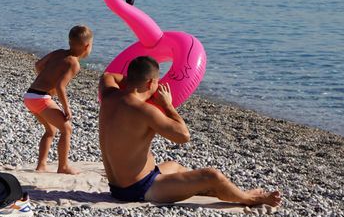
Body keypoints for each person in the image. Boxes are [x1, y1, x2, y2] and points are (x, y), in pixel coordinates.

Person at [98, 56, 281, 206]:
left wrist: (135, 84)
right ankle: (249, 199)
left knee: (175, 166)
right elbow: (183, 136)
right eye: (157, 82)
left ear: (130, 78)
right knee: (212, 175)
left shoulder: (108, 94)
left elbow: (108, 75)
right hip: (139, 189)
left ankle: (218, 190)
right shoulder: (145, 111)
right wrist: (168, 105)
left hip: (117, 186)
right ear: (151, 82)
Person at [24, 25, 92, 175]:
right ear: (87, 46)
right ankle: (63, 167)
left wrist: (47, 77)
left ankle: (41, 166)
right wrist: (66, 108)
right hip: (41, 97)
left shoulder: (59, 52)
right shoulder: (74, 63)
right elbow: (60, 87)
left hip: (30, 96)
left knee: (50, 130)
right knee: (67, 129)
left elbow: (38, 64)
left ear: (69, 42)